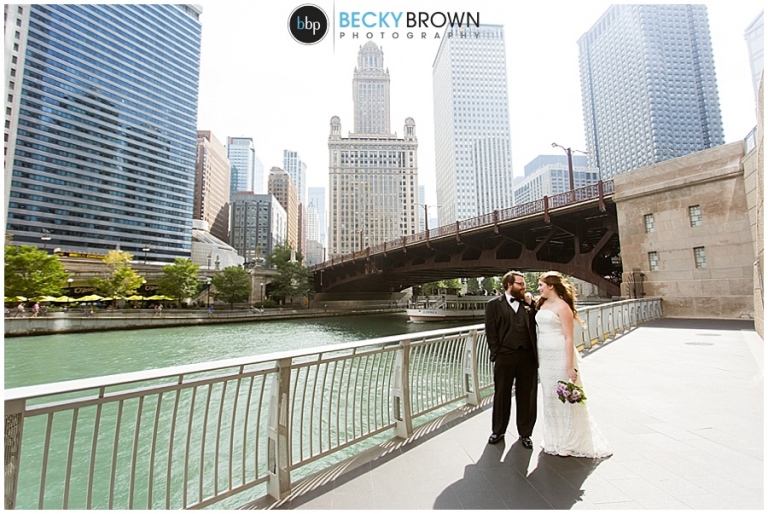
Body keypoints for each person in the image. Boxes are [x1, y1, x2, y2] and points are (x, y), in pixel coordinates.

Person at [535, 271, 612, 458]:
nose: (539, 288)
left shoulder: (563, 307)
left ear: (551, 286)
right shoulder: (541, 304)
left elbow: (569, 338)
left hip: (559, 354)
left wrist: (569, 366)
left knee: (563, 396)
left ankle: (568, 441)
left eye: (541, 285)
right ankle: (553, 438)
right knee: (549, 397)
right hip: (544, 356)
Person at [484, 270, 538, 448]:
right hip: (505, 356)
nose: (524, 286)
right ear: (509, 285)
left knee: (527, 395)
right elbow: (491, 331)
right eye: (520, 284)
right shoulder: (493, 305)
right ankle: (498, 431)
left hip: (527, 356)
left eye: (524, 284)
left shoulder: (528, 303)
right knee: (502, 394)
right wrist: (497, 352)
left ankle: (525, 433)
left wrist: (532, 304)